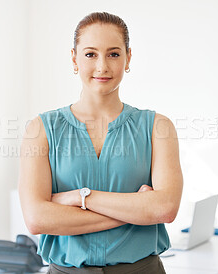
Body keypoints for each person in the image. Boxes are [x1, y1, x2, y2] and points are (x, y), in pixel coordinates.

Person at [19, 11, 183, 274]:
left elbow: (164, 208)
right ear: (74, 58)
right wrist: (136, 211)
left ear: (128, 57)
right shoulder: (41, 129)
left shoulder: (157, 127)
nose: (102, 66)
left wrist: (79, 197)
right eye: (90, 54)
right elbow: (37, 219)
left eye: (114, 54)